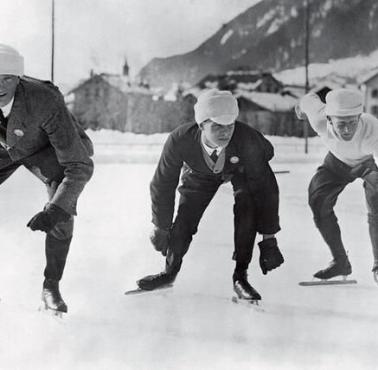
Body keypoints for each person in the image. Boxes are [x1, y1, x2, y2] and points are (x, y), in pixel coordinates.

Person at [136, 89, 284, 301]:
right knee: (184, 220)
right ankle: (169, 273)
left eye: (230, 126)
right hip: (200, 174)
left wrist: (269, 238)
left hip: (240, 168)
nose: (225, 132)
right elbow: (162, 183)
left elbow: (267, 188)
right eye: (217, 126)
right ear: (201, 125)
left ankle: (240, 276)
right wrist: (161, 225)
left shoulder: (248, 141)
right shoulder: (180, 140)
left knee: (247, 207)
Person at [0, 44, 94, 313]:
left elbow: (78, 165)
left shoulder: (45, 99)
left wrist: (55, 210)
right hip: (4, 147)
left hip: (46, 148)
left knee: (62, 209)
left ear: (19, 78)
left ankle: (51, 286)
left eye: (6, 77)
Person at [296, 88, 378, 281]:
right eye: (342, 125)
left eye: (352, 123)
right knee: (318, 201)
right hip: (337, 162)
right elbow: (308, 99)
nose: (348, 130)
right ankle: (340, 262)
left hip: (369, 164)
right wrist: (299, 108)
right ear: (329, 120)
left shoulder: (373, 132)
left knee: (376, 204)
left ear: (360, 117)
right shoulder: (319, 120)